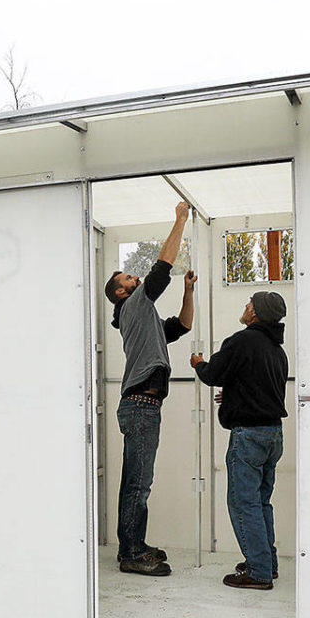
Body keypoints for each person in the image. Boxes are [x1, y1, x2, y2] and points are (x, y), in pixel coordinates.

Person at [104, 200, 195, 577]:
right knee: (139, 483)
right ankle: (131, 553)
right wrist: (179, 220)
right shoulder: (134, 306)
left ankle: (133, 544)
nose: (135, 278)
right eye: (128, 278)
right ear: (122, 293)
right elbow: (162, 267)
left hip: (142, 406)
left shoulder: (146, 315)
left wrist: (188, 291)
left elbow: (183, 327)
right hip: (140, 405)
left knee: (138, 481)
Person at [189, 291, 288, 590]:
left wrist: (198, 363)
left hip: (248, 436)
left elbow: (213, 374)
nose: (245, 308)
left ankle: (257, 572)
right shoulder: (277, 351)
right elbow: (259, 388)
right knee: (260, 502)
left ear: (256, 313)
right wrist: (232, 395)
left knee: (243, 503)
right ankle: (266, 563)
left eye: (249, 304)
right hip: (272, 434)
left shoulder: (242, 341)